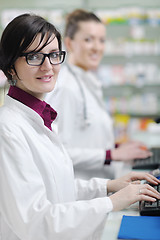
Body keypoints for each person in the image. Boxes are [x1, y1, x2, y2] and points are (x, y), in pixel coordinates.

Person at [0, 13, 160, 240]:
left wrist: (108, 186)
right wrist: (110, 202)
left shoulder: (39, 117)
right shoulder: (8, 129)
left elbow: (58, 188)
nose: (48, 66)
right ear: (10, 67)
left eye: (54, 55)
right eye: (34, 56)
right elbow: (34, 221)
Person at [45, 9, 152, 180]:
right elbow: (58, 152)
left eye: (101, 40)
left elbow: (86, 140)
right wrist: (111, 154)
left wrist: (118, 147)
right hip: (80, 193)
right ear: (70, 44)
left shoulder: (86, 81)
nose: (97, 47)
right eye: (88, 40)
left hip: (100, 187)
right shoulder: (65, 88)